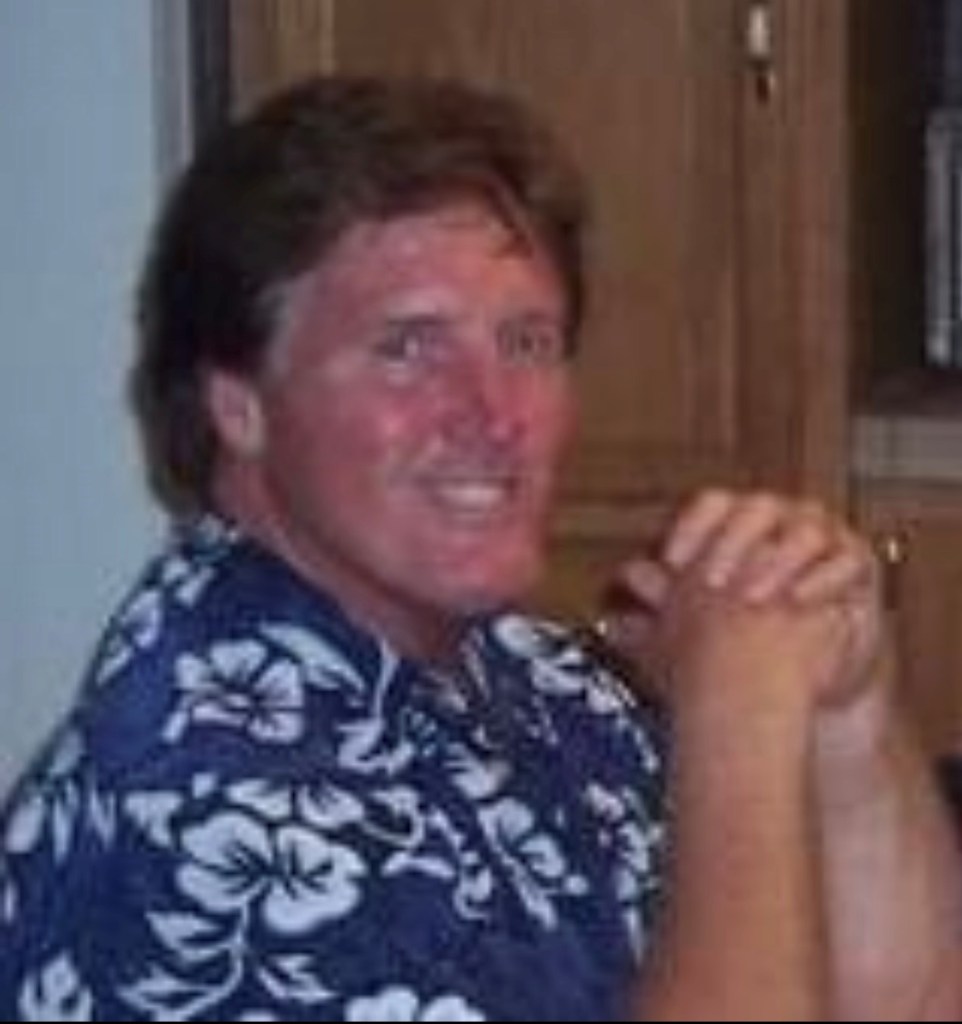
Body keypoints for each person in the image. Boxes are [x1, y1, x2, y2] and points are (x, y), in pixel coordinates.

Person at [0, 74, 956, 1022]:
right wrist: (740, 710)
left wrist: (848, 709)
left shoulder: (527, 679)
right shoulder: (209, 813)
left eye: (526, 342)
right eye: (408, 348)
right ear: (238, 406)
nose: (493, 414)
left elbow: (904, 1006)